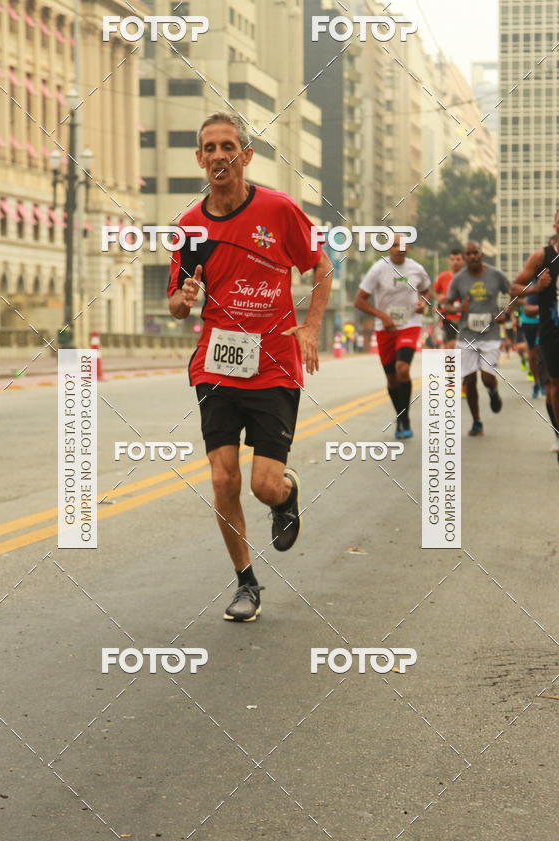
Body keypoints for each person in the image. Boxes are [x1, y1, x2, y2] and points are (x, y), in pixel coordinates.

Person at [168, 112, 332, 622]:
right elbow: (175, 303)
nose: (219, 155)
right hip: (215, 367)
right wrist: (184, 297)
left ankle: (286, 493)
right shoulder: (190, 227)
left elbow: (321, 269)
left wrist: (309, 327)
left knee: (262, 483)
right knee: (223, 481)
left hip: (274, 366)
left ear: (245, 155)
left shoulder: (280, 211)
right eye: (209, 148)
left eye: (228, 146)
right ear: (200, 159)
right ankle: (246, 583)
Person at [354, 236, 431, 439]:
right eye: (396, 245)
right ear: (388, 248)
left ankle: (405, 419)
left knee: (402, 368)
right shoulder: (378, 269)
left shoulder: (416, 269)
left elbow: (425, 290)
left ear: (410, 248)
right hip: (385, 328)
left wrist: (423, 303)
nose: (400, 249)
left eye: (404, 245)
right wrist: (383, 316)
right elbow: (359, 300)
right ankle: (400, 415)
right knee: (391, 378)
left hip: (409, 324)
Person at [448, 241, 515, 437]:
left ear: (481, 254)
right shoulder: (458, 279)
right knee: (469, 380)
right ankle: (476, 421)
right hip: (466, 335)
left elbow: (513, 294)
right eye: (468, 254)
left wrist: (507, 313)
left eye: (475, 253)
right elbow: (447, 305)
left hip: (490, 335)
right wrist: (458, 309)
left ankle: (493, 392)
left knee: (486, 377)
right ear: (465, 257)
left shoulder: (496, 275)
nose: (472, 257)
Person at [513, 220, 558, 457]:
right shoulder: (543, 256)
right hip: (551, 329)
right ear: (555, 224)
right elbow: (514, 288)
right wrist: (537, 288)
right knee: (554, 384)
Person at [434, 248, 465, 348]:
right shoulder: (443, 276)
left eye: (458, 259)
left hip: (465, 317)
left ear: (463, 260)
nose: (455, 262)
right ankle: (450, 363)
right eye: (452, 259)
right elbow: (435, 291)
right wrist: (439, 298)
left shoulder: (468, 277)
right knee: (451, 345)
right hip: (448, 316)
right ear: (448, 261)